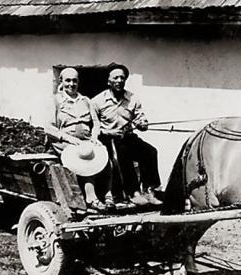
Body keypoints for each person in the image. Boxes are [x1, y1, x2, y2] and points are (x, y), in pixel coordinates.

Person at [91, 63, 162, 206]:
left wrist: (143, 124)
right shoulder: (96, 101)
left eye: (122, 78)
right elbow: (94, 128)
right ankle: (133, 193)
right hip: (107, 140)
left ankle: (149, 190)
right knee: (122, 154)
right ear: (108, 81)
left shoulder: (132, 98)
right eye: (115, 78)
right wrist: (108, 132)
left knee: (150, 152)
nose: (119, 81)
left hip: (128, 137)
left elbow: (141, 120)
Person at [53, 67, 112, 210]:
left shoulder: (85, 100)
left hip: (85, 140)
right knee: (85, 157)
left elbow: (96, 122)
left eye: (74, 81)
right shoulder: (56, 101)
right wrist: (69, 139)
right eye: (68, 80)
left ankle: (109, 195)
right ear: (61, 81)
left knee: (106, 157)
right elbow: (48, 127)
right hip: (65, 142)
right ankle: (91, 198)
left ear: (78, 82)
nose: (71, 84)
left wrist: (94, 137)